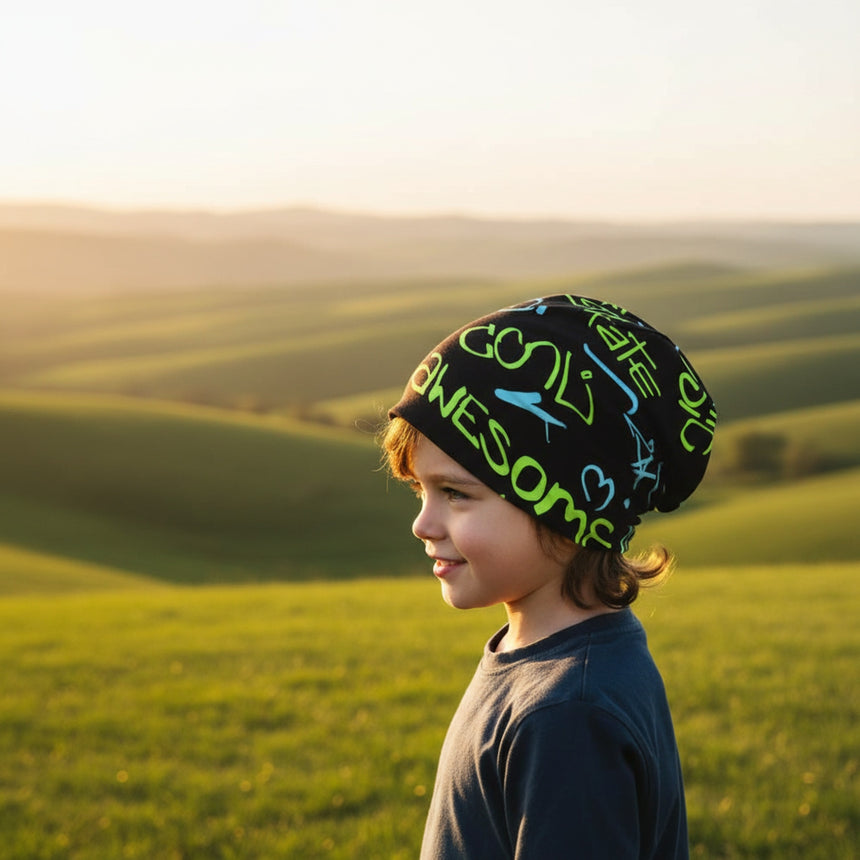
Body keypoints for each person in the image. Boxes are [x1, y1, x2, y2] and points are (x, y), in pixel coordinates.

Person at [380, 294, 716, 859]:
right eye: (421, 490)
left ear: (561, 504)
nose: (422, 523)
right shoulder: (551, 660)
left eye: (456, 493)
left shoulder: (569, 716)